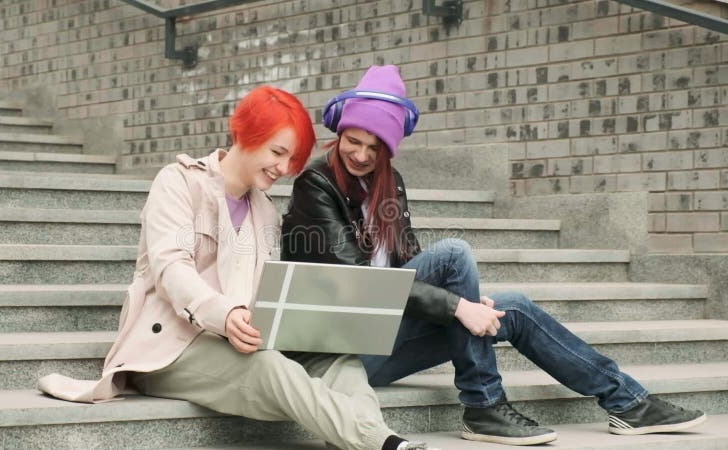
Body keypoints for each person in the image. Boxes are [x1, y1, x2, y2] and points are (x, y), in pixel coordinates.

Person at [280, 65, 707, 446]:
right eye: (354, 142)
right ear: (339, 134)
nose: (361, 155)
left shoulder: (389, 184)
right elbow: (358, 280)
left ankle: (628, 402)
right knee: (453, 254)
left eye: (375, 148)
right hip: (337, 353)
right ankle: (483, 403)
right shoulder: (315, 184)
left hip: (383, 335)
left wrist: (461, 302)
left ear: (389, 149)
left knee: (514, 308)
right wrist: (455, 304)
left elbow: (407, 260)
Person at [38, 86, 433, 450]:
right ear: (246, 135)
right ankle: (385, 444)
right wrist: (225, 315)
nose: (283, 168)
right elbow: (171, 269)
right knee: (269, 366)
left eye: (291, 159)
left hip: (240, 340)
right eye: (277, 153)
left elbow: (259, 288)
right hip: (172, 346)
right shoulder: (178, 182)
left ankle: (370, 441)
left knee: (339, 360)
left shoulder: (263, 210)